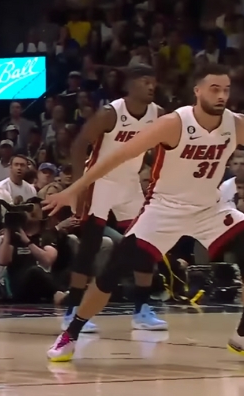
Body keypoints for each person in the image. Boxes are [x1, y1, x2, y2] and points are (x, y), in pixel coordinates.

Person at [44, 64, 244, 363]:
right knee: (113, 270)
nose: (221, 95)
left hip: (209, 208)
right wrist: (75, 188)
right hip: (164, 208)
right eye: (214, 89)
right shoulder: (174, 123)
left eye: (226, 90)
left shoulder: (234, 123)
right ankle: (71, 332)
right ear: (197, 91)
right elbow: (119, 155)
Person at [62, 65, 166, 333]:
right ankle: (73, 309)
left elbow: (167, 150)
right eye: (145, 81)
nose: (151, 86)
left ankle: (142, 309)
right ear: (130, 85)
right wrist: (78, 186)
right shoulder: (111, 113)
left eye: (153, 82)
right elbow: (79, 145)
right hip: (101, 181)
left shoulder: (159, 115)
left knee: (144, 244)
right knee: (91, 245)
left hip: (130, 183)